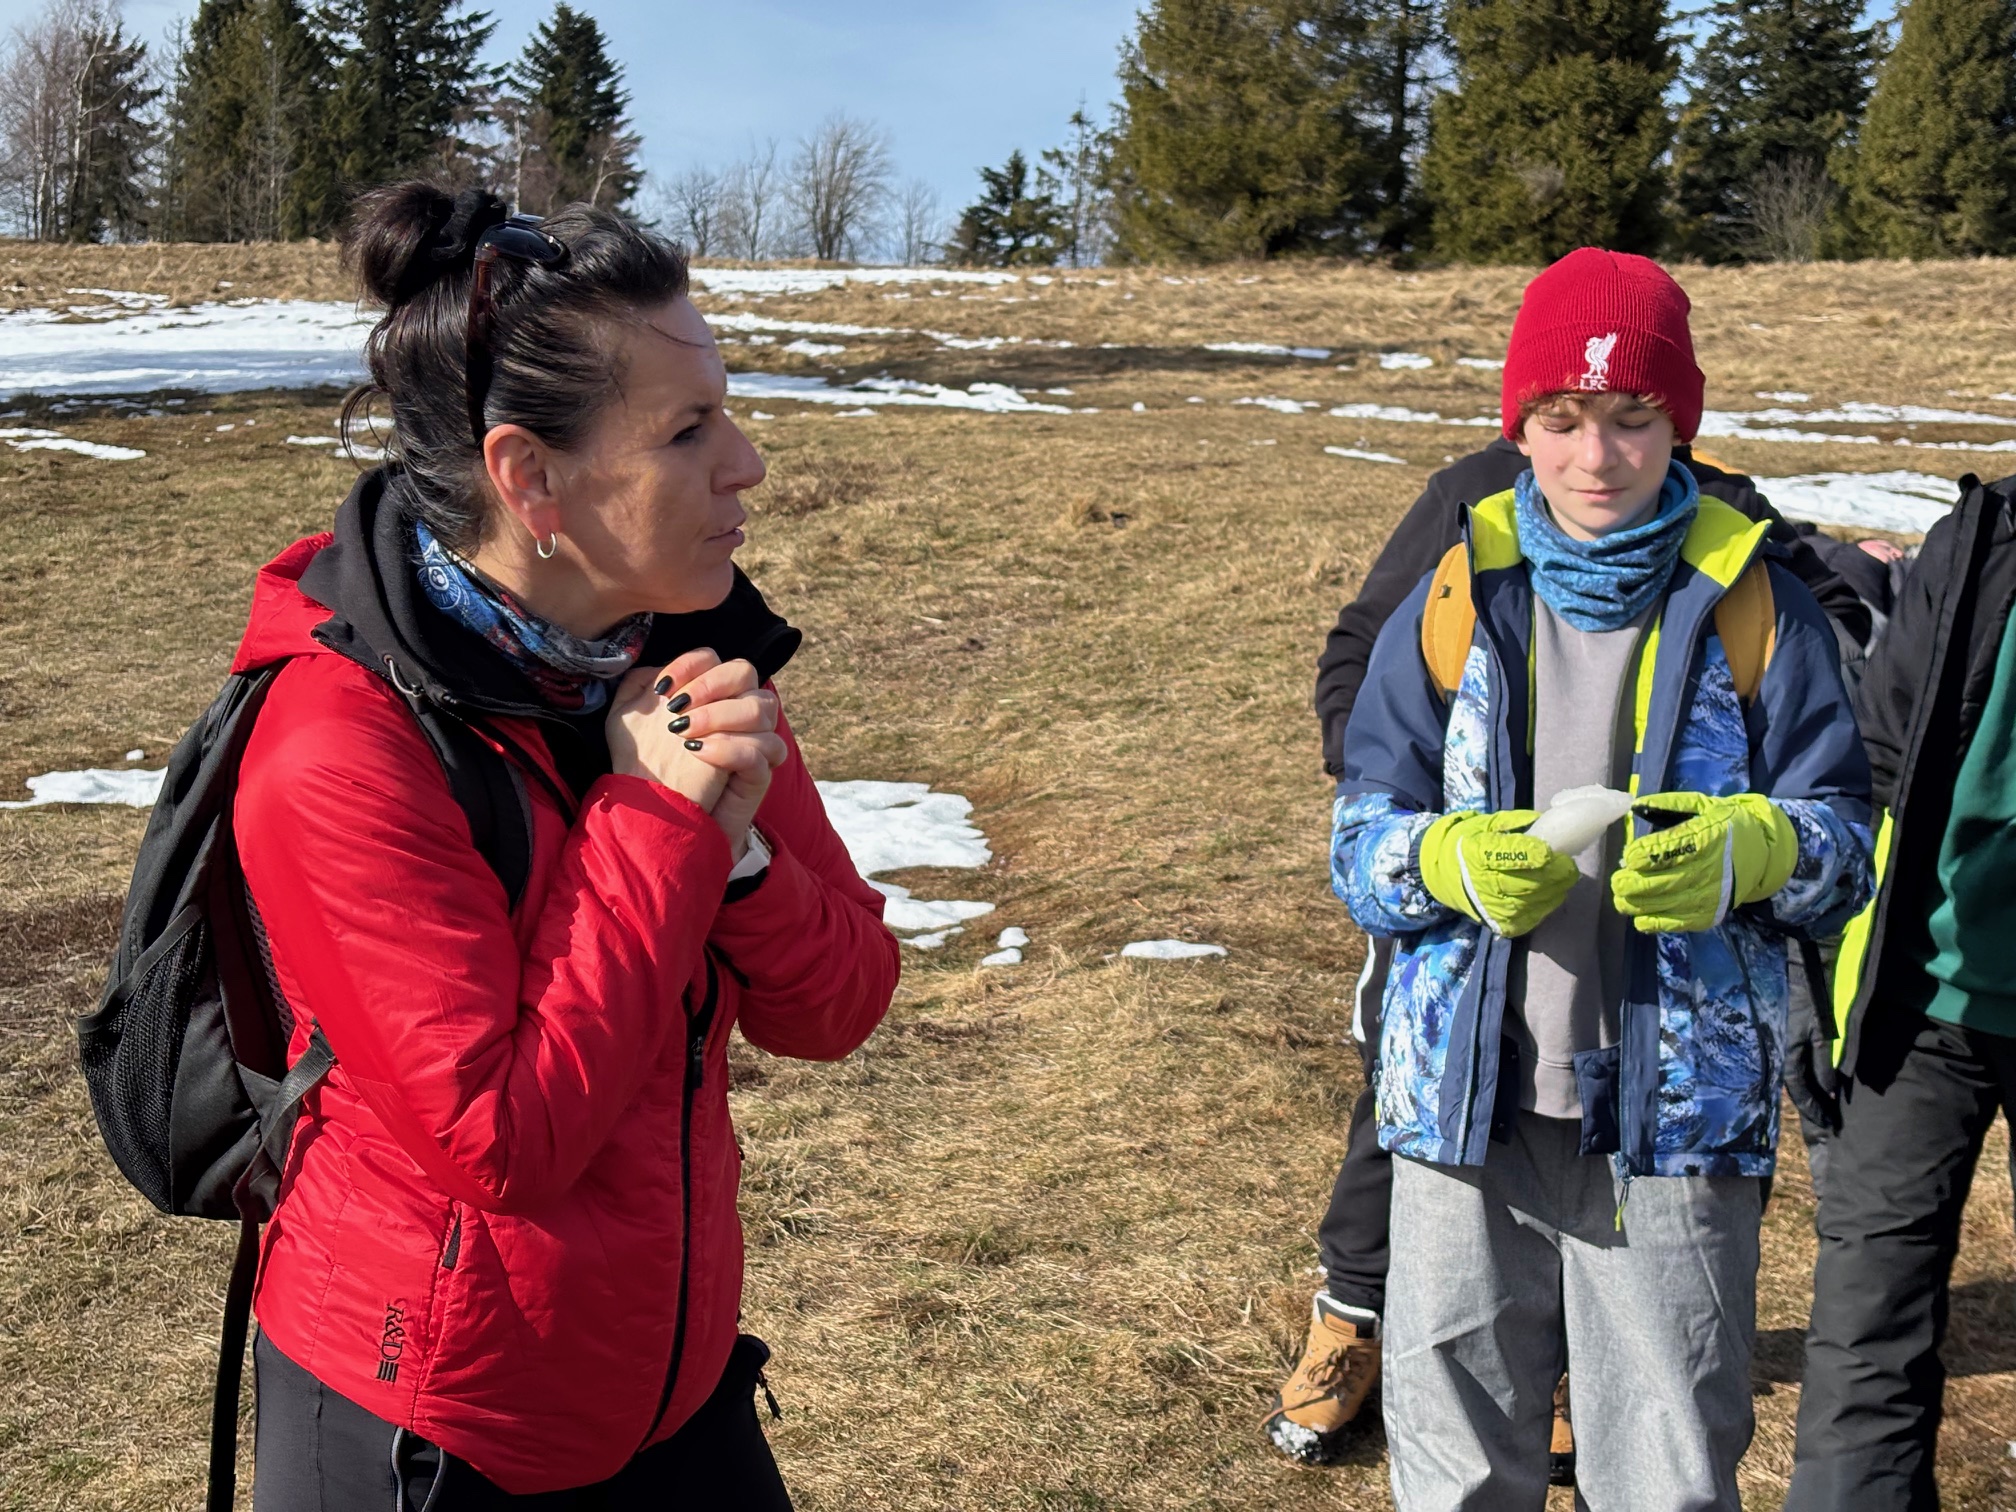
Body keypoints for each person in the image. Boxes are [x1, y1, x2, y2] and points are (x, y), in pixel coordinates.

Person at [230, 182, 900, 1509]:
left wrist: (735, 858)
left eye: (726, 413)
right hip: (429, 1421)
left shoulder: (674, 654)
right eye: (688, 430)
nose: (747, 464)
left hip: (666, 1382)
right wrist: (656, 823)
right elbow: (503, 1144)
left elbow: (840, 1006)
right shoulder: (338, 746)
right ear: (529, 476)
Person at [1268, 296, 1878, 1471]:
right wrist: (1438, 860)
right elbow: (1361, 844)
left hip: (1681, 1119)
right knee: (1455, 1466)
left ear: (1679, 423)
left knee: (1666, 1463)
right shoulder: (1454, 596)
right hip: (1464, 1112)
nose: (1597, 456)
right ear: (1520, 426)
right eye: (1561, 418)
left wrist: (1757, 854)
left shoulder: (1762, 603)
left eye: (1633, 417)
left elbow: (1846, 849)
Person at [1787, 471, 2016, 1511]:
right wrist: (1832, 967)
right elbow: (1878, 758)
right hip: (1922, 997)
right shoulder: (1986, 532)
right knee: (1863, 1329)